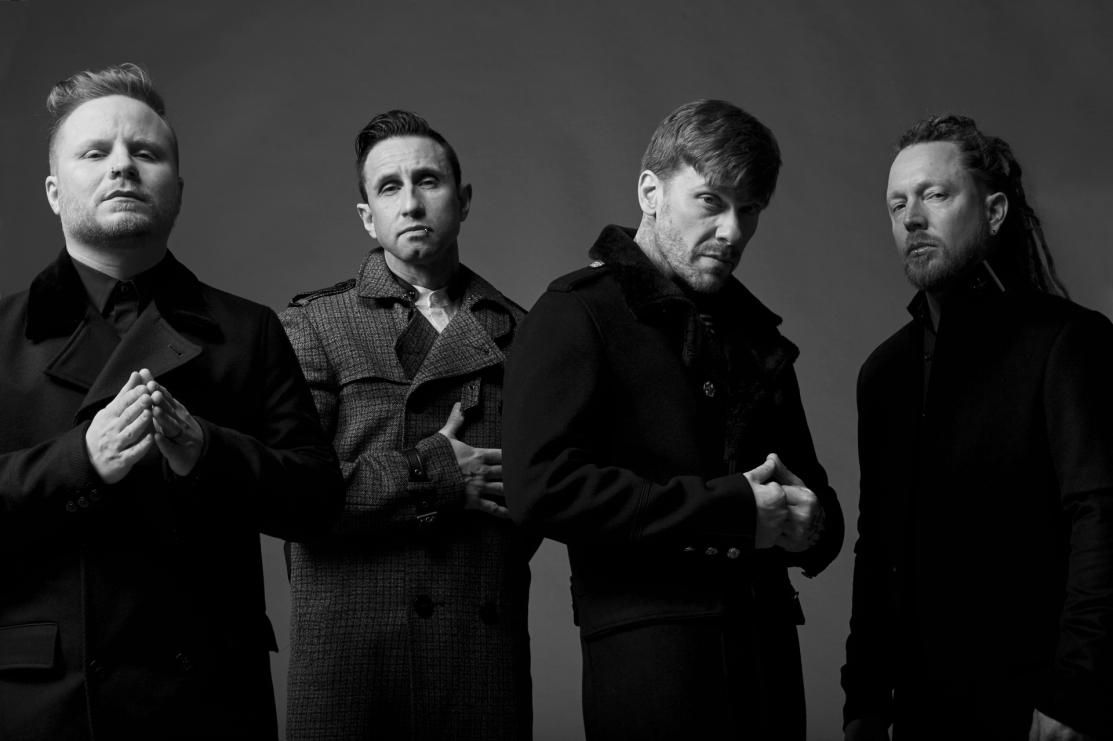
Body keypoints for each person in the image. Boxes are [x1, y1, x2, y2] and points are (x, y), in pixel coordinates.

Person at [0, 63, 342, 740]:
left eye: (145, 152)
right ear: (53, 191)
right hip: (47, 700)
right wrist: (79, 459)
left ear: (177, 190)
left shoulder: (247, 330)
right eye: (95, 153)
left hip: (207, 693)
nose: (122, 166)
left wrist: (208, 452)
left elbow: (316, 501)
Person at [503, 99, 843, 740]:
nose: (733, 231)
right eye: (711, 201)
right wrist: (732, 509)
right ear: (650, 192)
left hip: (768, 664)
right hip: (653, 668)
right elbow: (538, 488)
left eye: (750, 210)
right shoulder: (575, 313)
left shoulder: (757, 335)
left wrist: (812, 524)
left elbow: (817, 498)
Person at [842, 114, 1113, 741]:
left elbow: (1102, 517)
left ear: (993, 213)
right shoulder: (884, 373)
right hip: (919, 714)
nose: (912, 218)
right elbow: (876, 548)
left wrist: (1074, 693)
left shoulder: (1068, 342)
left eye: (935, 195)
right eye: (897, 204)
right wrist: (863, 701)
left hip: (1039, 709)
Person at [281, 109, 537, 740]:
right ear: (368, 216)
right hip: (352, 659)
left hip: (478, 652)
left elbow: (540, 494)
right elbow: (294, 496)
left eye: (429, 181)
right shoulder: (314, 324)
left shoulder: (527, 332)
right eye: (389, 187)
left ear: (463, 200)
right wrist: (439, 476)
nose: (412, 202)